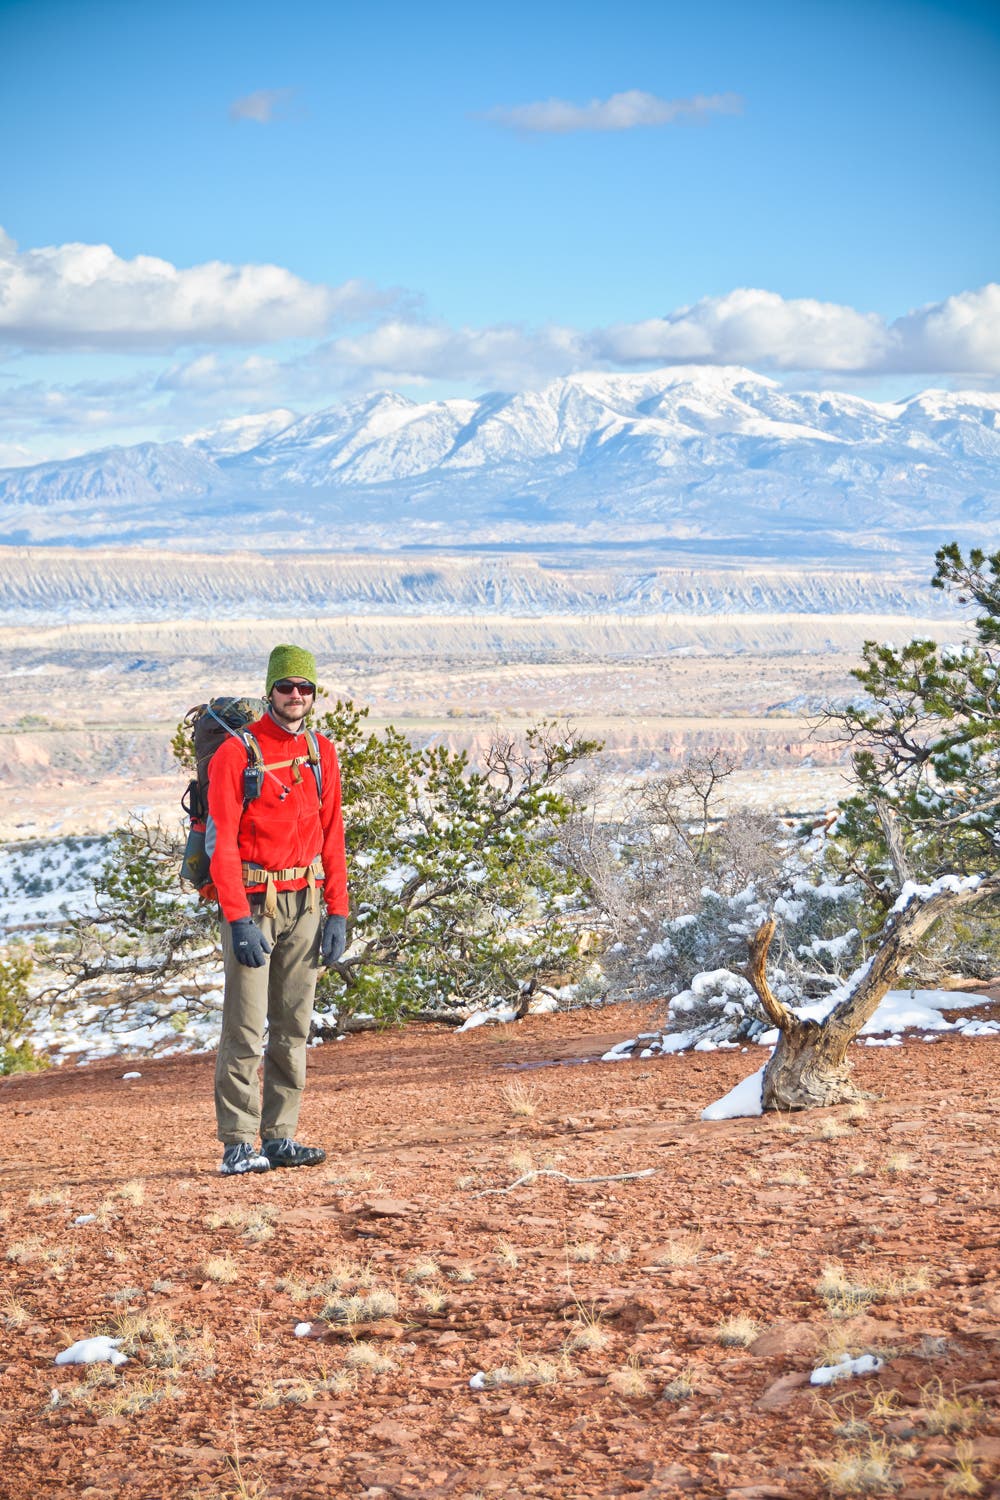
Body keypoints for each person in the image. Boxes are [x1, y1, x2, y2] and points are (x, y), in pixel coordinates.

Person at [207, 644, 349, 1175]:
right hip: (253, 902)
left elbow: (333, 833)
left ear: (314, 695)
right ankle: (238, 1143)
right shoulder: (236, 754)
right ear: (270, 691)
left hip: (308, 901)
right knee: (245, 1027)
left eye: (305, 688)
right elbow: (221, 842)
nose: (296, 696)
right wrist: (238, 918)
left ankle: (279, 1136)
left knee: (293, 1025)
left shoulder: (322, 752)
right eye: (286, 686)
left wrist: (339, 910)